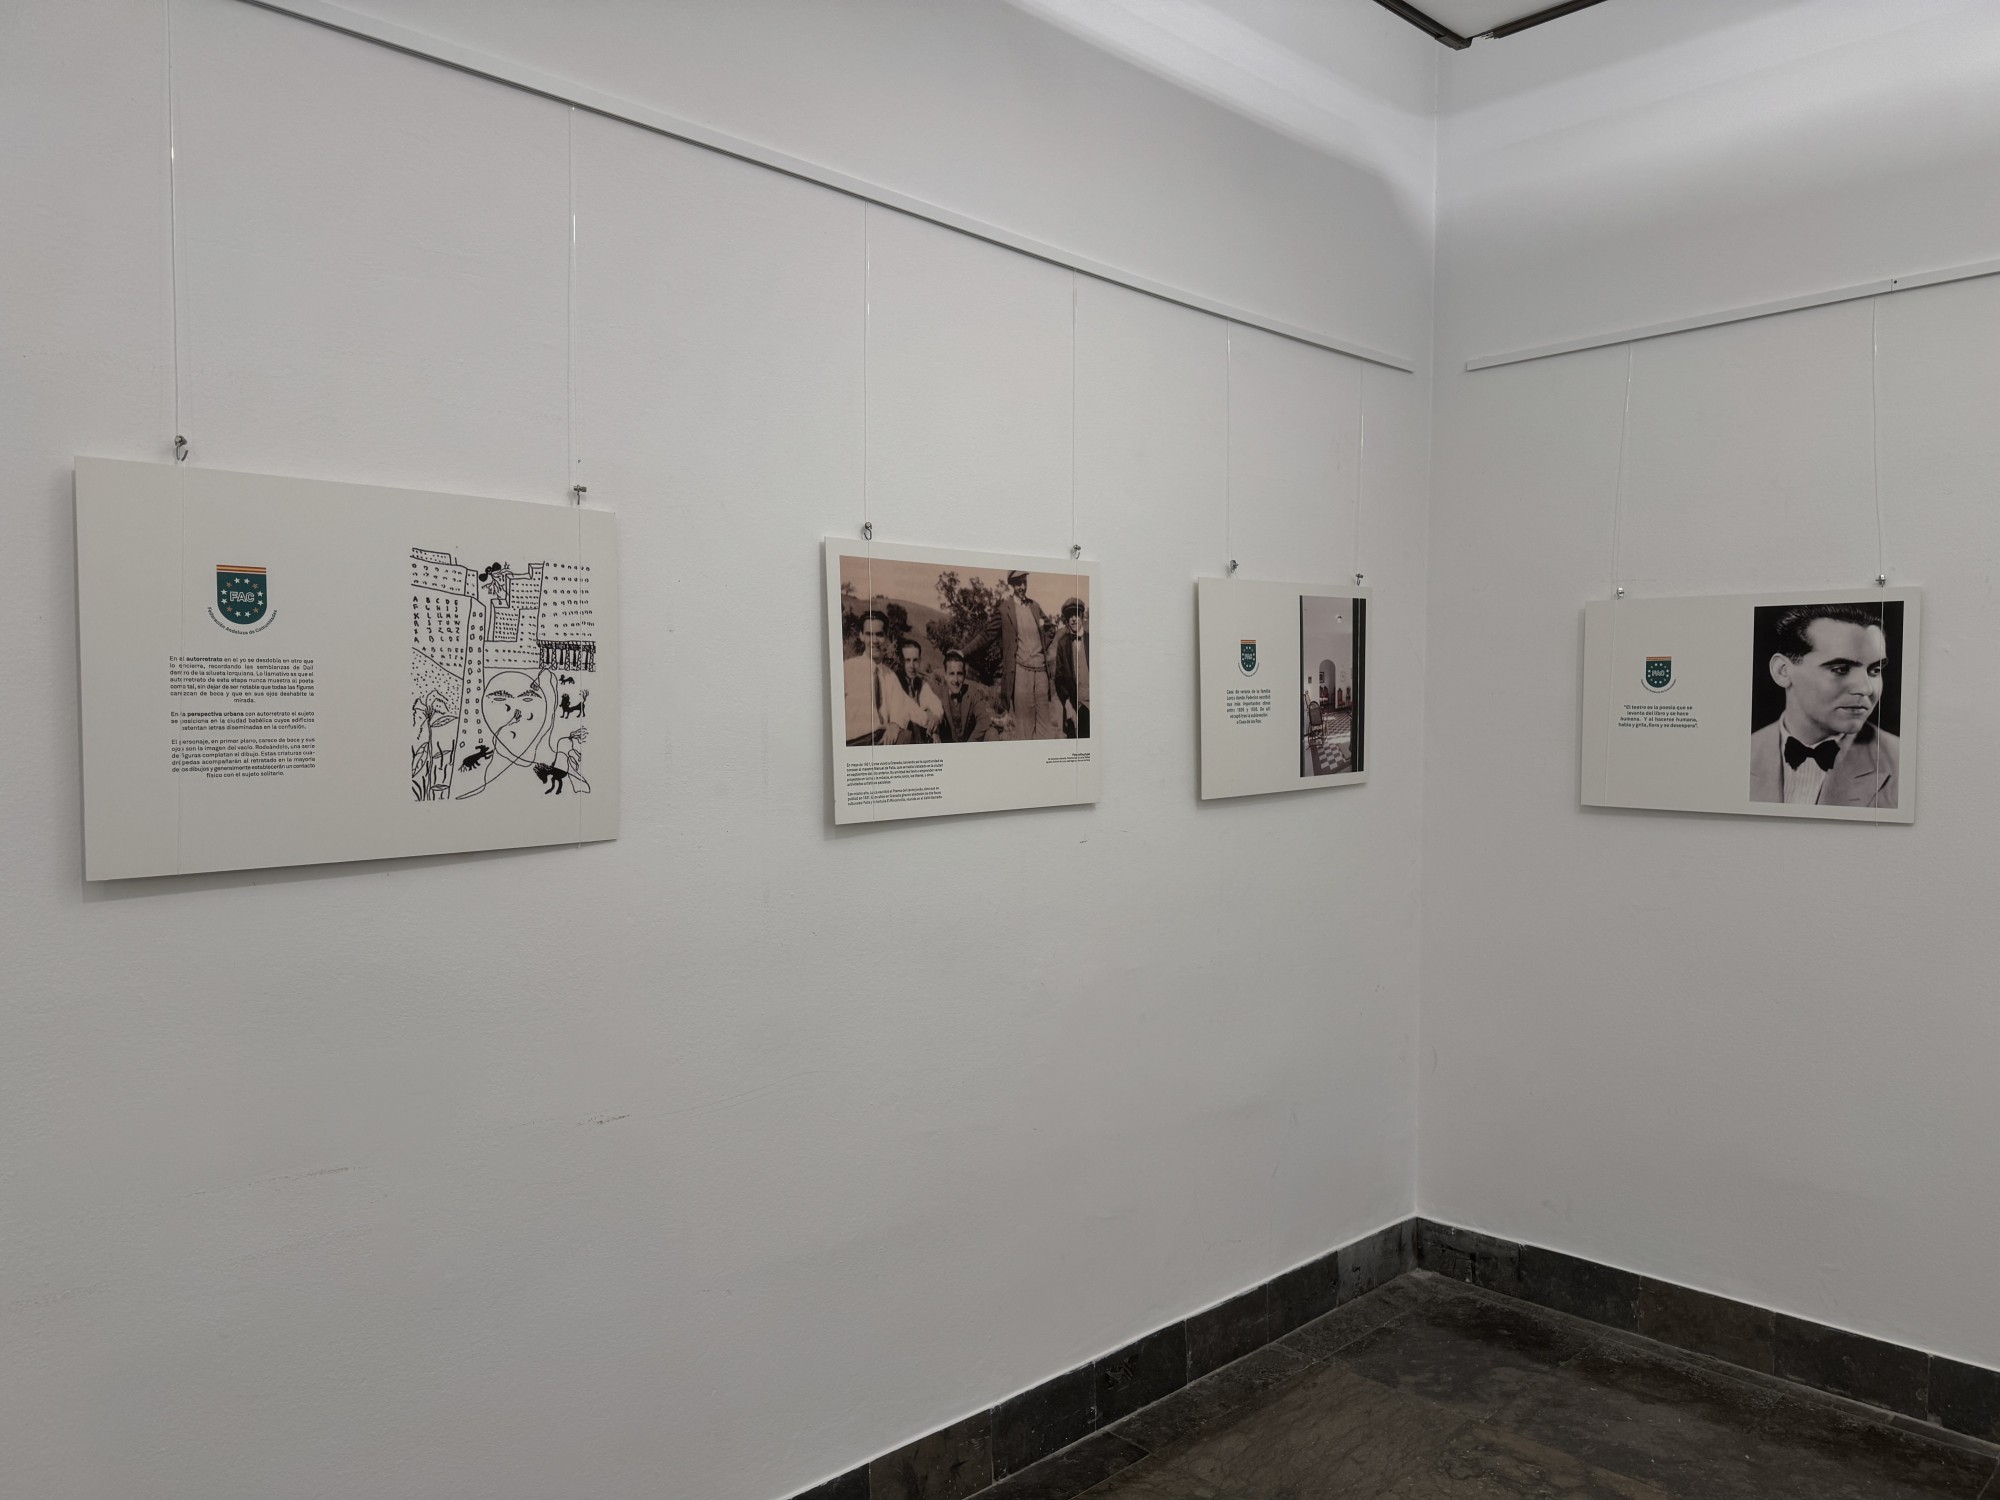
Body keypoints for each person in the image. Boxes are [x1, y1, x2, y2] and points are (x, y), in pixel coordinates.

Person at [1749, 603, 1899, 808]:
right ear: (1782, 671)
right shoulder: (1737, 754)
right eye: (1840, 669)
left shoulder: (1903, 763)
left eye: (1875, 670)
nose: (1866, 689)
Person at [993, 570, 1059, 740]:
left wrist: (1042, 645)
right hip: (1021, 673)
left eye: (1024, 582)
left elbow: (1051, 628)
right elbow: (986, 635)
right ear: (1011, 585)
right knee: (1025, 729)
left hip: (1041, 673)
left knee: (1045, 727)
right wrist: (963, 652)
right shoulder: (1004, 609)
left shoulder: (1034, 606)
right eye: (1018, 584)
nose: (1022, 587)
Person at [844, 611, 922, 746]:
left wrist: (895, 724)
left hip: (882, 740)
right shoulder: (847, 668)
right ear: (861, 636)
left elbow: (903, 705)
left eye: (879, 634)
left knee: (907, 737)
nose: (874, 641)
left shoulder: (890, 676)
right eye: (869, 634)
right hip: (854, 742)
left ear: (886, 637)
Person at [934, 650, 993, 743]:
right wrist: (935, 732)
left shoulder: (973, 693)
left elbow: (984, 720)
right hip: (947, 746)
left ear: (964, 675)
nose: (956, 680)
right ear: (945, 675)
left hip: (969, 744)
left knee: (992, 733)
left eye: (959, 674)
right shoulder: (938, 694)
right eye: (951, 674)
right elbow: (928, 713)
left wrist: (968, 745)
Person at [1051, 597, 1090, 739]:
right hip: (1073, 709)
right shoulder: (1063, 644)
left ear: (1082, 616)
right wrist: (1068, 706)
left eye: (1076, 614)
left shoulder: (1092, 640)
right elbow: (1059, 679)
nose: (1073, 619)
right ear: (1067, 620)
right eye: (1069, 616)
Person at [897, 639, 945, 744]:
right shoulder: (895, 682)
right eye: (908, 660)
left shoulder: (919, 683)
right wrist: (930, 724)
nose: (912, 666)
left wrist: (936, 717)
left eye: (915, 660)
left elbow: (934, 702)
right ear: (902, 661)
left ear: (920, 661)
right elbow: (911, 710)